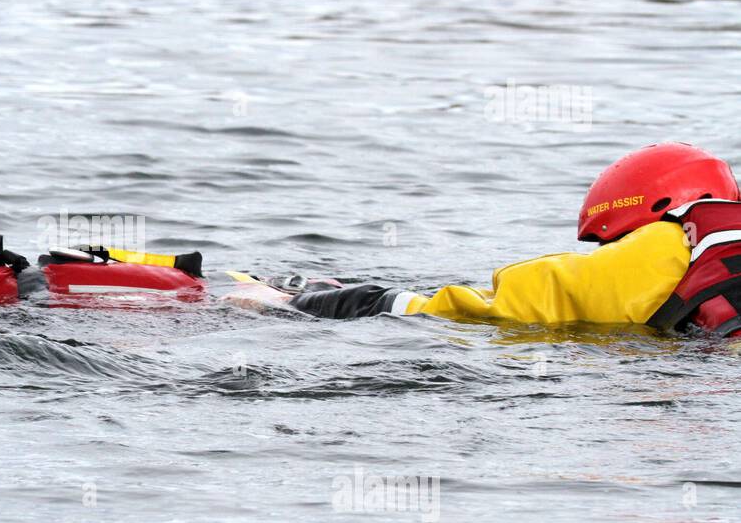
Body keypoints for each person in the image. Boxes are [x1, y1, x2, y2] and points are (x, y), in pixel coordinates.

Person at [231, 143, 741, 336]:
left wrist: (292, 302)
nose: (606, 257)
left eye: (610, 245)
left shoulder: (657, 252)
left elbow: (454, 310)